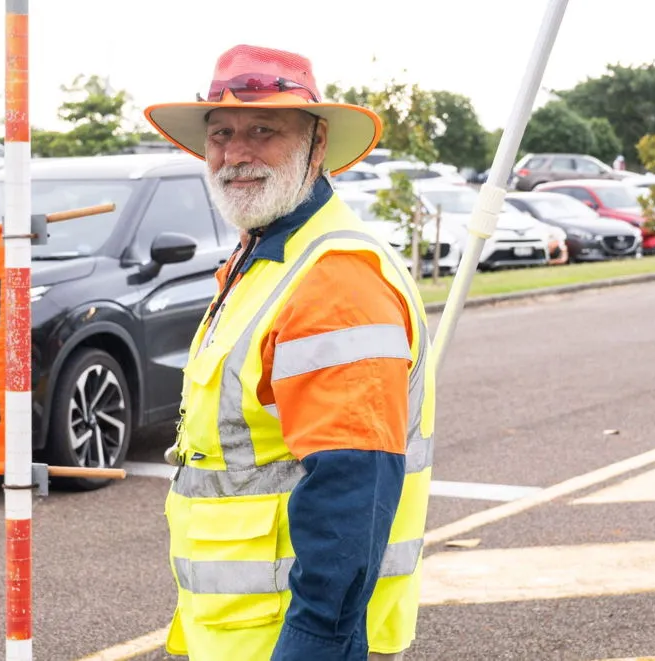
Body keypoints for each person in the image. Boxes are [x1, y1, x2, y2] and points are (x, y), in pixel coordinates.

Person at [141, 44, 437, 661]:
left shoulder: (332, 280)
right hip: (244, 633)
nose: (236, 153)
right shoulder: (266, 258)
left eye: (263, 130)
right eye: (221, 133)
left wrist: (315, 642)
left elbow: (351, 489)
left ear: (317, 143)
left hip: (294, 637)